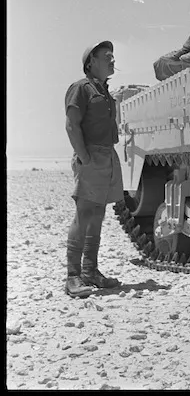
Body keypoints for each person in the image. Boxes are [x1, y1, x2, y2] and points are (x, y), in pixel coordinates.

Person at [64, 41, 124, 298]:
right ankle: (73, 276)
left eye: (113, 56)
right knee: (85, 213)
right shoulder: (81, 89)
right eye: (107, 56)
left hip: (106, 155)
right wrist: (85, 157)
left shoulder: (104, 91)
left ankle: (90, 271)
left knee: (97, 214)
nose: (112, 60)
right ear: (91, 62)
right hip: (91, 156)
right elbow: (71, 126)